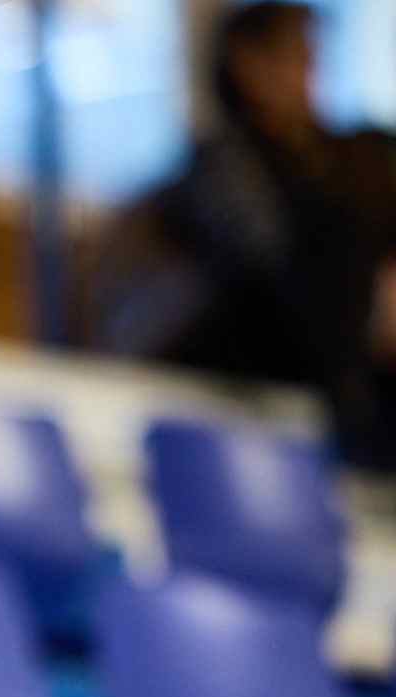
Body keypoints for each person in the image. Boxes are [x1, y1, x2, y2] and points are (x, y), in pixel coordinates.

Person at [87, 1, 396, 474]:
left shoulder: (355, 155)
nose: (308, 73)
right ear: (246, 63)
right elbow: (277, 270)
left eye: (312, 56)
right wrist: (368, 308)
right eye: (295, 56)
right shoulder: (224, 171)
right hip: (257, 395)